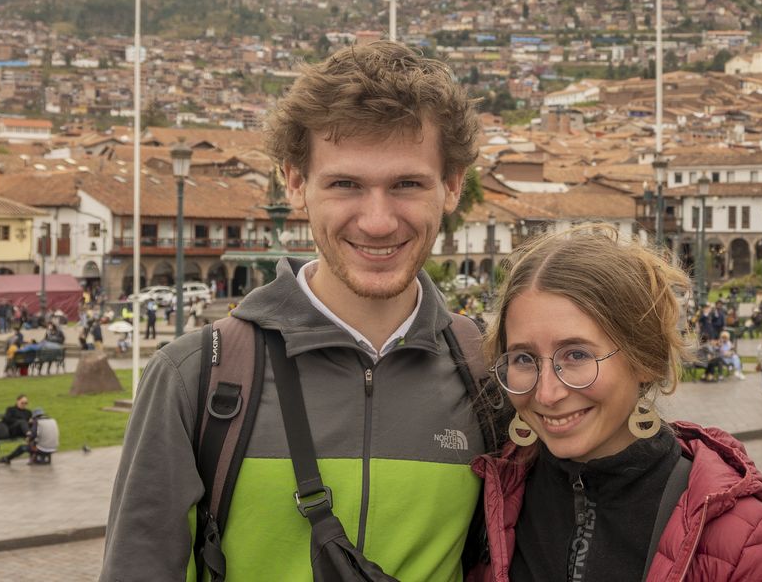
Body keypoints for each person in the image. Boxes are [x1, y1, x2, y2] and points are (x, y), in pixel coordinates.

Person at [101, 41, 503, 581]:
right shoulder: (193, 377)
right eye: (345, 184)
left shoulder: (490, 375)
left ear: (451, 186)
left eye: (407, 184)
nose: (379, 221)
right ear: (295, 183)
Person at [468, 225, 762, 582]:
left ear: (646, 360)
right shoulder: (488, 498)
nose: (546, 394)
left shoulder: (741, 542)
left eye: (576, 354)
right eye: (524, 359)